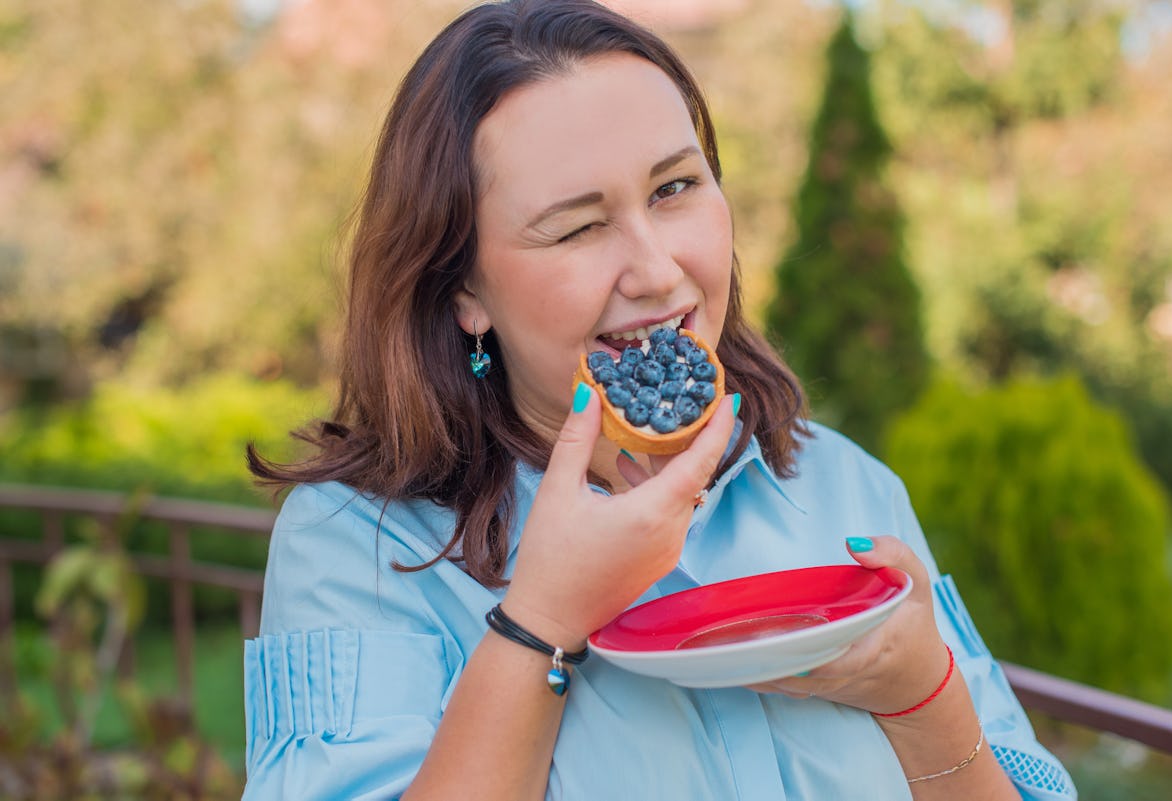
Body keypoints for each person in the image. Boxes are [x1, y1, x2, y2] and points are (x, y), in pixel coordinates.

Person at [241, 1, 1077, 799]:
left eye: (674, 188)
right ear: (464, 288)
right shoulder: (355, 546)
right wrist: (540, 619)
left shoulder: (843, 484)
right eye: (577, 227)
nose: (655, 270)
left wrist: (925, 700)